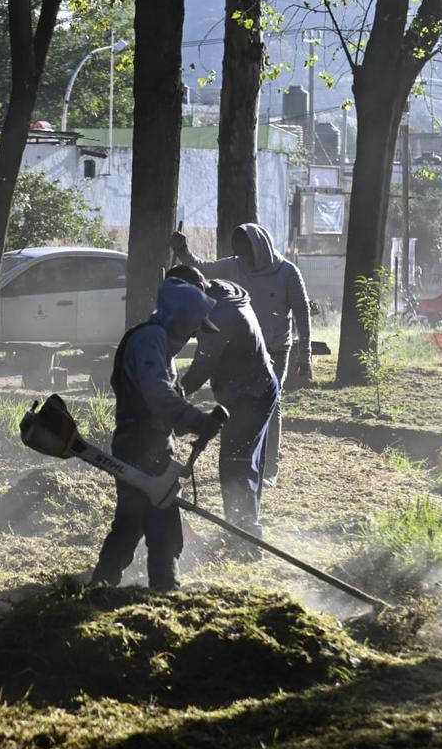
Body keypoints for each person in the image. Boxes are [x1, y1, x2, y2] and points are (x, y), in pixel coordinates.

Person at [89, 277, 226, 591]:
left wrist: (186, 425)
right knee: (154, 522)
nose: (194, 333)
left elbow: (164, 398)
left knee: (138, 520)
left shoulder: (160, 343)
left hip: (151, 443)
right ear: (180, 318)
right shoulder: (150, 339)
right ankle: (160, 588)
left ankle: (106, 584)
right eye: (193, 325)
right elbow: (156, 392)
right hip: (139, 444)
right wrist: (194, 418)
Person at [171, 222, 311, 485]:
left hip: (275, 348)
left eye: (247, 254)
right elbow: (201, 268)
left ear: (260, 249)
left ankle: (270, 466)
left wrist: (306, 354)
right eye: (239, 254)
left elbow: (302, 313)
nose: (243, 259)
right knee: (241, 402)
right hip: (243, 349)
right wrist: (183, 251)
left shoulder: (287, 273)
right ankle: (244, 461)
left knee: (272, 402)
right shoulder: (233, 265)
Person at [167, 265, 279, 558]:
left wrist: (172, 400)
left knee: (236, 464)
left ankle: (246, 542)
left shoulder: (219, 315)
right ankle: (244, 531)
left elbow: (201, 368)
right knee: (244, 462)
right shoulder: (218, 292)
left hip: (251, 392)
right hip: (254, 385)